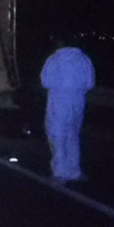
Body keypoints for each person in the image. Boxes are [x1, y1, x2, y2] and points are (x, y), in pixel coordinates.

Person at [40, 34, 95, 184]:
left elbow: (45, 82)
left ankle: (60, 173)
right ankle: (74, 171)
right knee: (73, 135)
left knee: (57, 136)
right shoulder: (84, 59)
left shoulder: (54, 60)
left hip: (58, 102)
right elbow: (90, 83)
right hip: (78, 102)